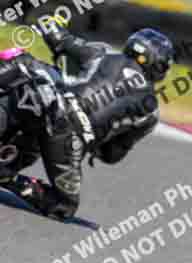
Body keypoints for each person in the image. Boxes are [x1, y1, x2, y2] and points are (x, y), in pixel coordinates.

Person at [0, 22, 174, 219]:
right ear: (159, 66)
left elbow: (60, 39)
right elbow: (111, 155)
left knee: (24, 62)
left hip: (52, 104)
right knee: (64, 205)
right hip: (70, 141)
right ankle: (8, 177)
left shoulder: (104, 53)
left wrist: (50, 25)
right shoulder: (150, 112)